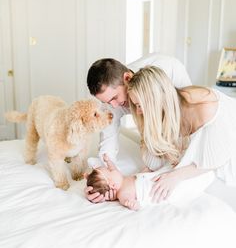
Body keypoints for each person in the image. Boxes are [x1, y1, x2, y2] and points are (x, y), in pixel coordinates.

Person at [85, 53, 192, 202]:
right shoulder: (110, 102)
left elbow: (187, 119)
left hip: (175, 90)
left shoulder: (166, 73)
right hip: (152, 132)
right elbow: (108, 141)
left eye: (115, 97)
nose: (113, 105)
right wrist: (101, 182)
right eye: (108, 102)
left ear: (127, 78)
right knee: (151, 158)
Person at [127, 65, 236, 202]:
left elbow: (216, 160)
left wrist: (175, 176)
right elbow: (154, 160)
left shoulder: (203, 108)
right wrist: (135, 179)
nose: (138, 112)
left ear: (153, 100)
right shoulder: (165, 111)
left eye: (139, 105)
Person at [85, 155, 214, 210]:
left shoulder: (123, 180)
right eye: (109, 170)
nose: (111, 168)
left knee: (175, 167)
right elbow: (128, 202)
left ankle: (200, 166)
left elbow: (114, 169)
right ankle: (206, 173)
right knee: (181, 186)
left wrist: (108, 161)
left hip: (154, 177)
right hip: (156, 188)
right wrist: (132, 204)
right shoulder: (123, 194)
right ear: (112, 185)